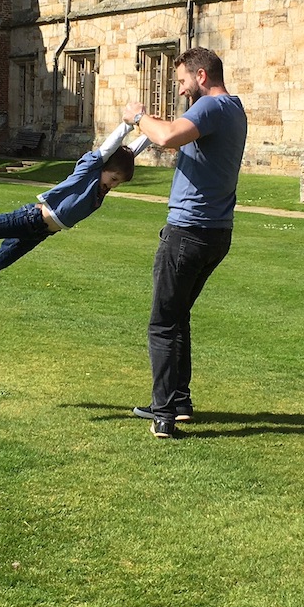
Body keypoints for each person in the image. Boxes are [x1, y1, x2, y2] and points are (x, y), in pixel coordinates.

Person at [122, 47, 247, 438]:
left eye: (181, 82)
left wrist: (138, 117)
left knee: (162, 323)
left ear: (202, 76)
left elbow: (168, 136)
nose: (179, 91)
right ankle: (179, 402)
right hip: (215, 233)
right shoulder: (235, 109)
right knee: (178, 317)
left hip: (188, 232)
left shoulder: (213, 107)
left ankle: (163, 416)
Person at [0, 121, 149, 302]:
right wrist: (127, 124)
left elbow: (131, 153)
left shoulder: (101, 189)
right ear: (103, 168)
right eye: (113, 178)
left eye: (118, 183)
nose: (113, 184)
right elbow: (109, 149)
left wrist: (155, 132)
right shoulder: (88, 171)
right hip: (30, 218)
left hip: (41, 231)